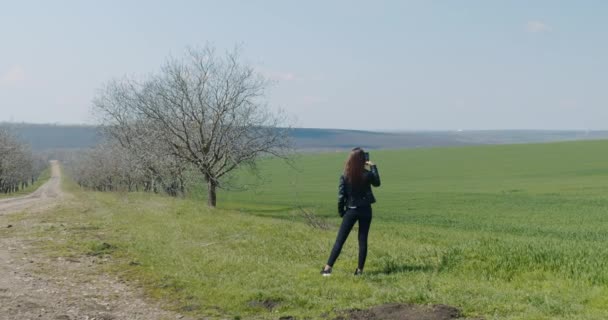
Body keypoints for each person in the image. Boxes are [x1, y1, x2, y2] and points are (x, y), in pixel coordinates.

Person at [321, 147, 381, 276]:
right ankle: (359, 271)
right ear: (363, 160)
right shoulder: (367, 174)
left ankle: (327, 269)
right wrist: (374, 167)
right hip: (366, 210)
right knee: (363, 240)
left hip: (351, 210)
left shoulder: (345, 175)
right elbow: (377, 183)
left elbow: (341, 196)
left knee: (340, 240)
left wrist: (341, 212)